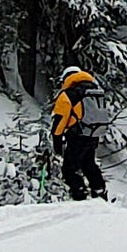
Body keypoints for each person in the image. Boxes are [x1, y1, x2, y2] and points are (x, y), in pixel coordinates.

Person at [50, 64, 109, 201]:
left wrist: (57, 143)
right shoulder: (95, 91)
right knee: (88, 164)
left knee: (69, 169)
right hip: (93, 134)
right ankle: (99, 192)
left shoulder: (68, 94)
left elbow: (60, 121)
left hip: (77, 136)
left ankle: (80, 196)